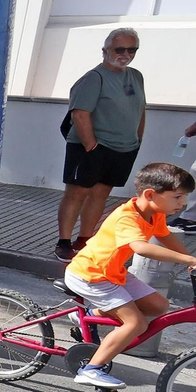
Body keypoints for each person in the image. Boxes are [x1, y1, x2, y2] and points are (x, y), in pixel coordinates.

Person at [61, 162, 196, 390]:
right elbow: (141, 247)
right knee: (136, 323)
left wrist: (190, 258)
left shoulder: (154, 213)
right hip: (90, 275)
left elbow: (165, 236)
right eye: (178, 197)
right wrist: (188, 260)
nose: (183, 203)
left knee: (159, 306)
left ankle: (89, 315)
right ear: (150, 194)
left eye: (185, 197)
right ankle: (91, 369)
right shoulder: (128, 217)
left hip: (112, 273)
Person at [55, 28, 148, 261]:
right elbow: (80, 114)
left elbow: (140, 110)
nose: (126, 54)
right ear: (105, 50)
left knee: (100, 194)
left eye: (132, 49)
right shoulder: (93, 78)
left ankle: (85, 239)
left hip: (123, 148)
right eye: (119, 49)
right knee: (76, 193)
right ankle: (63, 242)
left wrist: (137, 140)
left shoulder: (136, 76)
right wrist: (91, 147)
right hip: (91, 147)